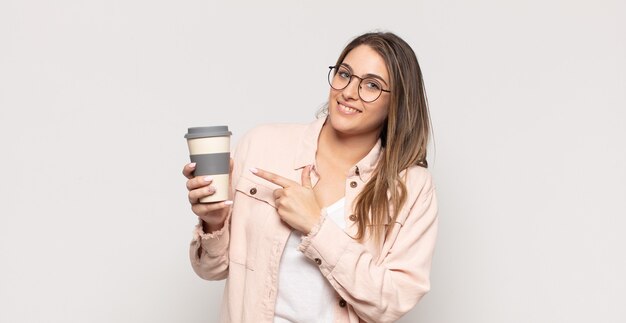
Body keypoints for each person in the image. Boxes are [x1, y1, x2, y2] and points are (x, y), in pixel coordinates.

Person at [183, 31, 438, 323]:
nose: (349, 92)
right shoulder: (261, 145)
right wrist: (213, 221)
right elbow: (211, 269)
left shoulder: (412, 186)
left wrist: (316, 227)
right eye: (344, 74)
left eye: (372, 85)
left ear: (397, 102)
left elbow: (392, 302)